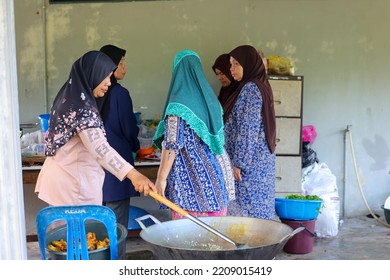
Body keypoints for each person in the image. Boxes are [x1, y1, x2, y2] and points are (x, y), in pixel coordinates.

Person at [35, 50, 155, 207]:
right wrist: (134, 175)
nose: (109, 82)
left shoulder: (68, 99)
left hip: (63, 183)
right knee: (75, 231)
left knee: (64, 231)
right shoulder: (81, 108)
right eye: (105, 76)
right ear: (93, 74)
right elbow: (100, 149)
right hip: (72, 188)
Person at [153, 50, 234, 219]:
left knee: (189, 239)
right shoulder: (211, 102)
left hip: (191, 185)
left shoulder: (177, 106)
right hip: (216, 181)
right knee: (215, 238)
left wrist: (161, 178)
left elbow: (172, 145)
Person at [224, 45, 276, 220]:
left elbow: (248, 129)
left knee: (249, 208)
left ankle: (252, 244)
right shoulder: (258, 85)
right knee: (258, 206)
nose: (232, 69)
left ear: (249, 64)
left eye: (236, 64)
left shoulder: (251, 89)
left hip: (250, 164)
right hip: (257, 161)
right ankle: (261, 242)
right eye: (230, 64)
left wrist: (240, 163)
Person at [95, 44, 140, 228]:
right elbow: (129, 129)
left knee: (97, 232)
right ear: (110, 66)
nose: (124, 68)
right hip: (117, 168)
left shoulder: (92, 93)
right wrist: (135, 146)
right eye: (120, 63)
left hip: (96, 170)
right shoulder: (120, 94)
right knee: (116, 229)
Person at [212, 53, 239, 123]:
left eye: (222, 73)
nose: (219, 78)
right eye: (217, 74)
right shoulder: (224, 91)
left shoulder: (239, 90)